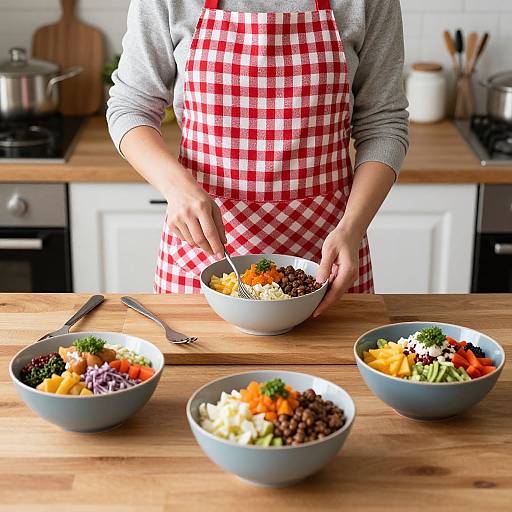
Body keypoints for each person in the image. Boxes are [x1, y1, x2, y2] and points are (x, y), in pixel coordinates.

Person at [107, 0, 409, 316]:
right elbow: (131, 106)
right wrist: (176, 189)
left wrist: (352, 228)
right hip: (202, 252)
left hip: (327, 256)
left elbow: (383, 121)